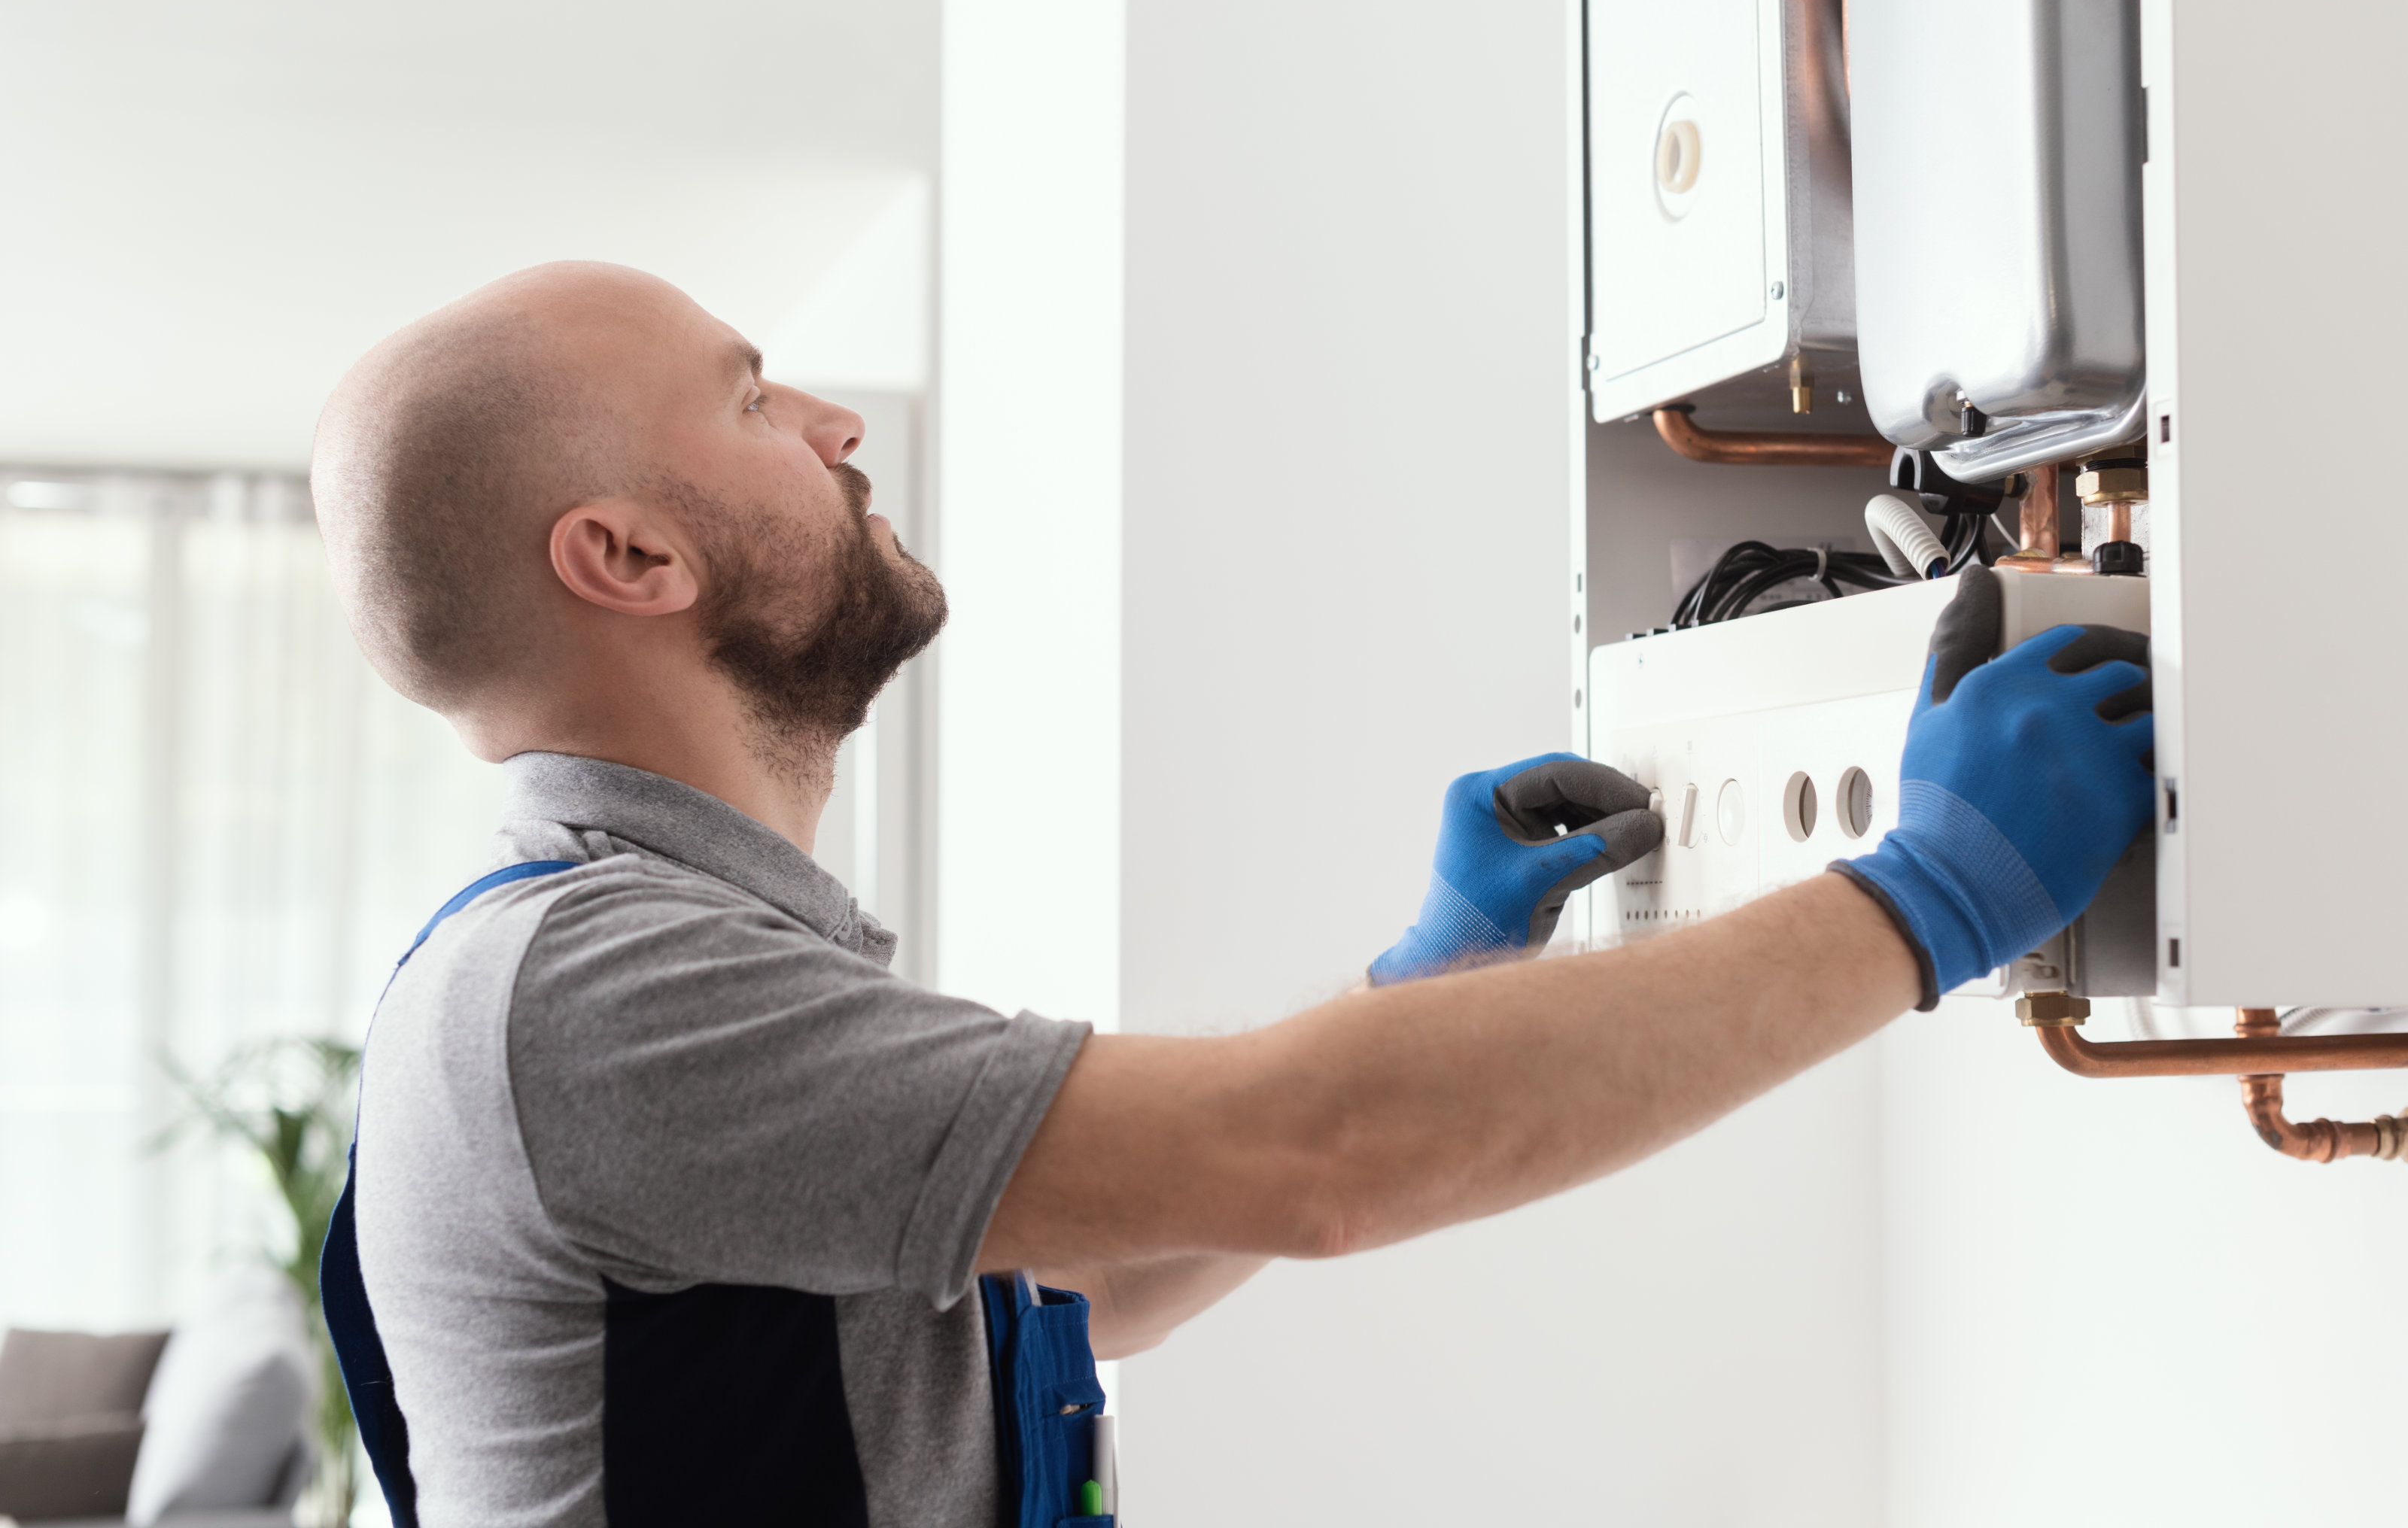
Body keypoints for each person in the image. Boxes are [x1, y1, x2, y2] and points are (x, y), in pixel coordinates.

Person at [308, 262, 2155, 1528]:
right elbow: (1312, 1158)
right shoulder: (589, 995)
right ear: (626, 554)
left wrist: (1423, 981)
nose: (833, 420)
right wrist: (1922, 898)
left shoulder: (654, 954)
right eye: (747, 398)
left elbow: (1083, 1278)